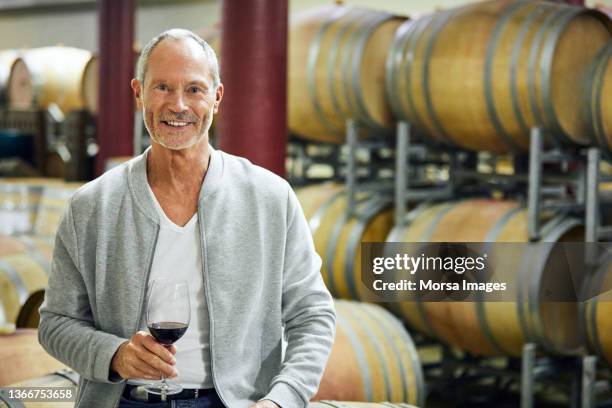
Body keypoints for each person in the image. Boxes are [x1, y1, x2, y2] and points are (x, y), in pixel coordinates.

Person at [38, 28, 336, 408]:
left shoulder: (270, 198)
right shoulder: (90, 206)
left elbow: (312, 315)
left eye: (194, 89)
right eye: (162, 87)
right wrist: (115, 355)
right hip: (125, 401)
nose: (178, 104)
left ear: (217, 98)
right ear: (138, 93)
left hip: (238, 403)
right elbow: (55, 324)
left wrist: (283, 398)